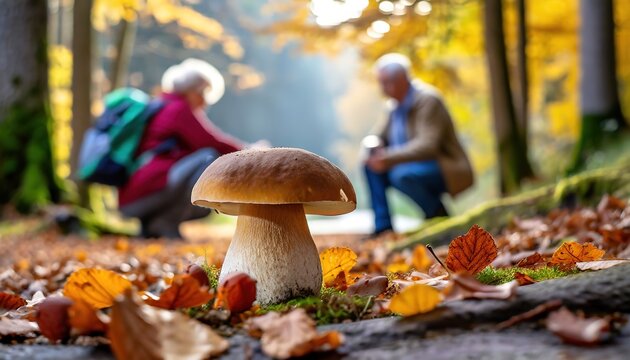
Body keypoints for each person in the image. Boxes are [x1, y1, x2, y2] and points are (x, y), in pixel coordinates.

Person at [119, 58, 266, 239]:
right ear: (194, 90)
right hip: (144, 193)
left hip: (132, 197)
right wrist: (249, 152)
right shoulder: (178, 109)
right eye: (204, 93)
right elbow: (210, 142)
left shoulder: (161, 105)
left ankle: (151, 226)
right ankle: (166, 222)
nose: (205, 102)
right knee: (208, 159)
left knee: (201, 165)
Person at [363, 53, 474, 237]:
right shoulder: (393, 108)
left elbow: (428, 145)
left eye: (386, 82)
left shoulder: (427, 100)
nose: (382, 89)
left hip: (445, 167)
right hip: (409, 167)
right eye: (380, 82)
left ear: (401, 79)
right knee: (371, 167)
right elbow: (377, 135)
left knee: (401, 175)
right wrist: (371, 149)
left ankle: (438, 215)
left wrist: (388, 158)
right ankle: (383, 228)